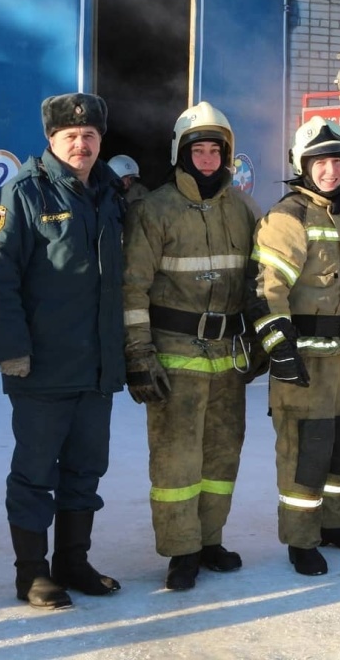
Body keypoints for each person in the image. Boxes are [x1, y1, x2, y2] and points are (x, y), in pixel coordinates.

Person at [0, 92, 125, 609]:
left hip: (98, 366)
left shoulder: (111, 191)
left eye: (89, 136)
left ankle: (73, 562)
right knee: (36, 474)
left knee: (86, 470)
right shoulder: (22, 192)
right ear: (51, 140)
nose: (81, 145)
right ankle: (33, 573)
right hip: (42, 368)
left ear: (100, 140)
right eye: (70, 137)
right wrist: (11, 351)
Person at [122, 101, 261, 591]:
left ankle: (209, 539)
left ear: (226, 156)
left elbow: (256, 281)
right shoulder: (153, 209)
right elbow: (132, 288)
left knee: (222, 456)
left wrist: (261, 336)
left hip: (228, 357)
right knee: (177, 460)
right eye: (197, 149)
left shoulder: (244, 209)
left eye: (214, 150)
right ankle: (181, 551)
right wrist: (138, 355)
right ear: (181, 153)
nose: (206, 158)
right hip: (174, 355)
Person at [249, 116, 340, 576]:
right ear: (302, 166)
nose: (330, 172)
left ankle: (334, 526)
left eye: (337, 162)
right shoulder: (288, 217)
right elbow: (266, 289)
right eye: (320, 163)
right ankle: (301, 540)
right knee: (305, 453)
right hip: (304, 361)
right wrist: (279, 348)